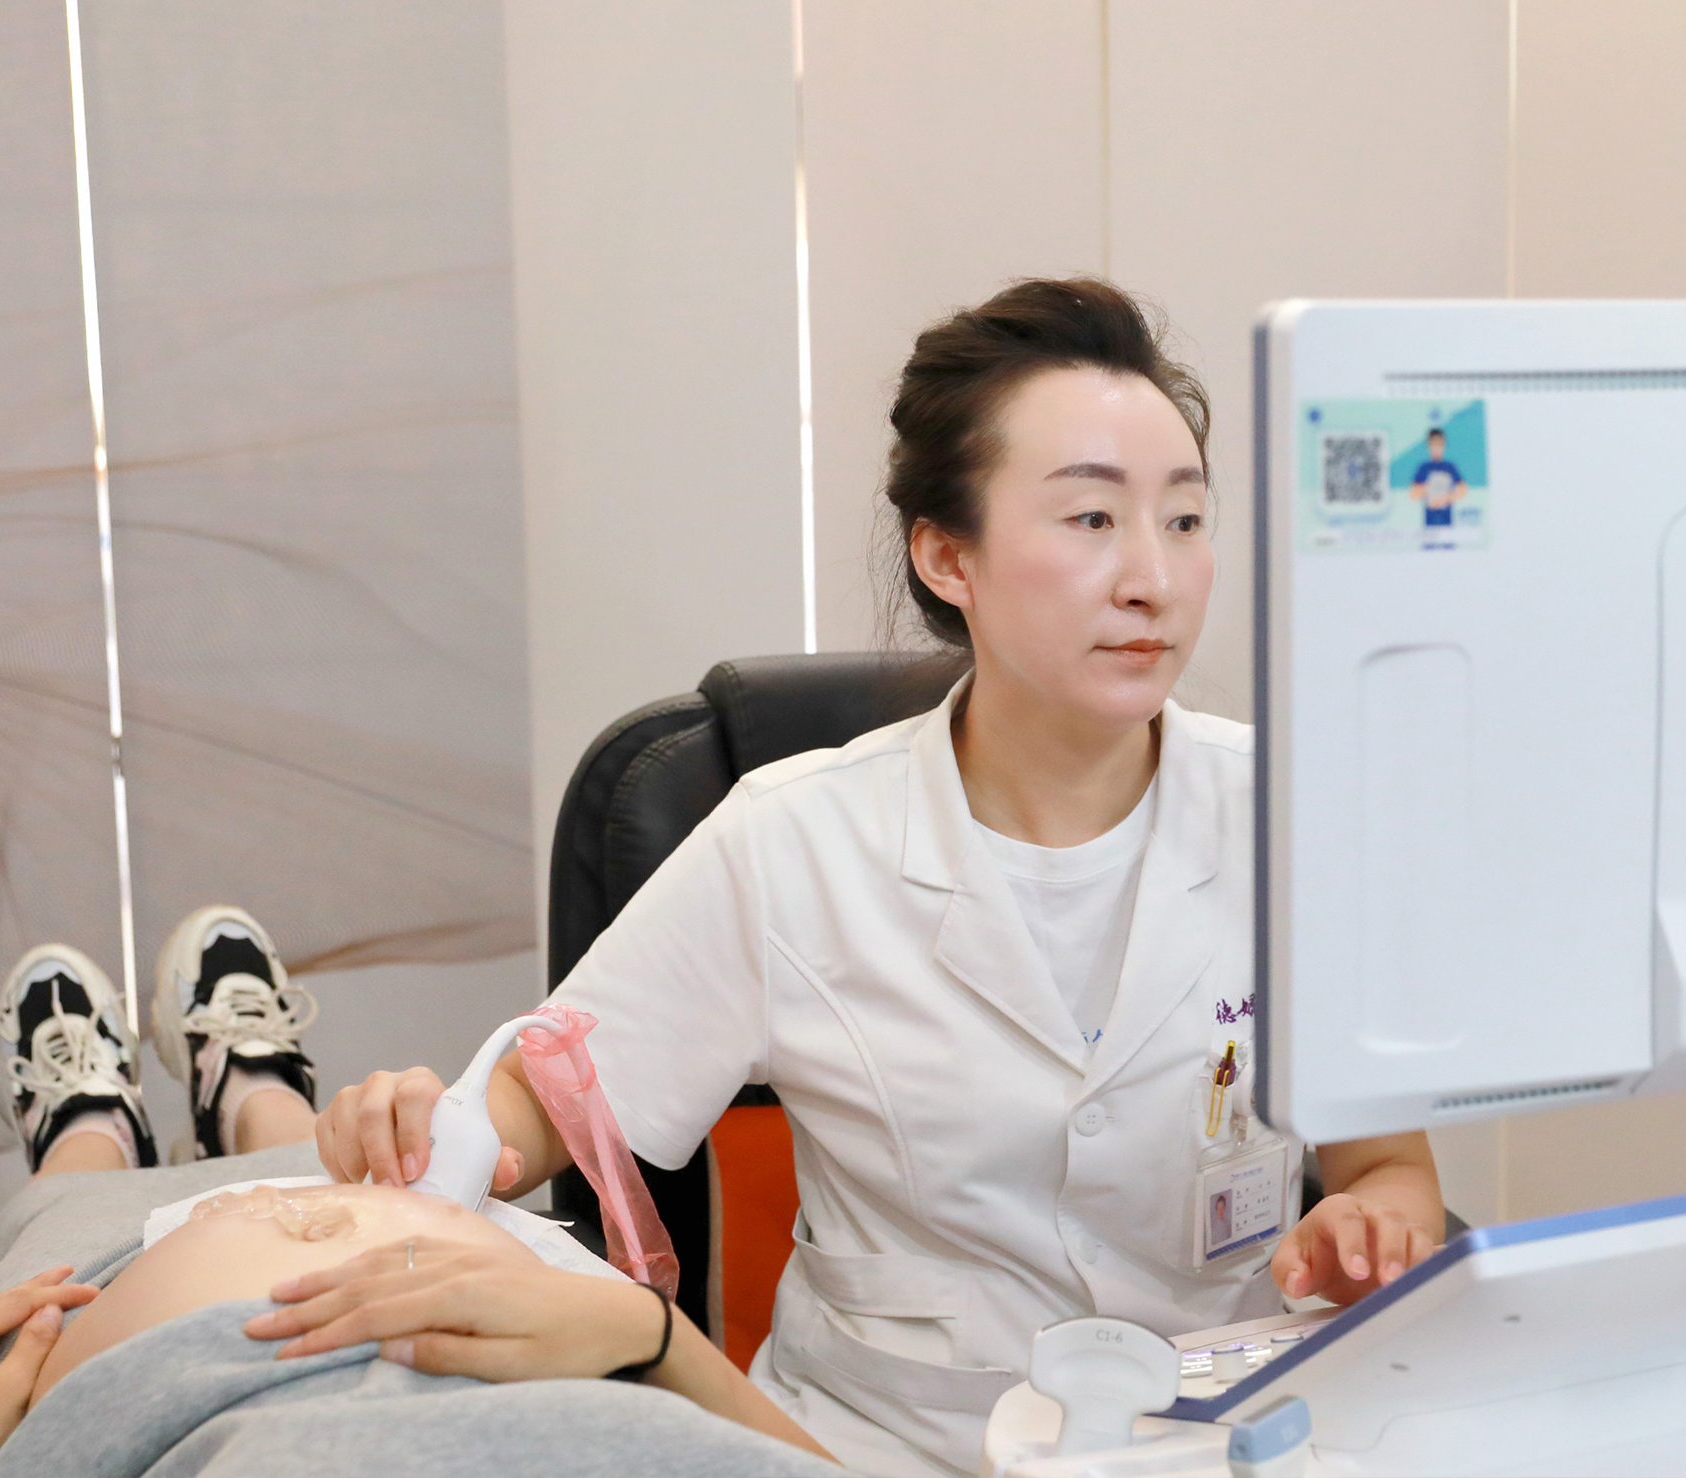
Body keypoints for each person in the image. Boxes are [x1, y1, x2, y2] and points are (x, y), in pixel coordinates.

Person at [316, 278, 1446, 1477]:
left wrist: (1373, 1227)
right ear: (948, 555)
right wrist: (412, 1126)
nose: (1151, 579)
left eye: (1183, 518)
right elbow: (536, 1110)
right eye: (1090, 518)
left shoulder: (1291, 818)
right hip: (875, 1449)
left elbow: (1389, 1169)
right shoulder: (793, 841)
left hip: (1219, 1438)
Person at [0, 914, 837, 1478]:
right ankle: (259, 1096)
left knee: (64, 1210)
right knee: (317, 1151)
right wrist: (659, 1337)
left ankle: (85, 1128)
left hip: (135, 1361)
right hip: (553, 1327)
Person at [1408, 426, 1468, 537]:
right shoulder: (1423, 468)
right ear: (1428, 446)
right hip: (1429, 522)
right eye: (1433, 444)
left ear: (1444, 445)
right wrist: (1428, 490)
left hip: (1447, 521)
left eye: (1439, 444)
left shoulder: (1450, 467)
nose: (1436, 448)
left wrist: (1446, 498)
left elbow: (1463, 491)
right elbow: (1413, 494)